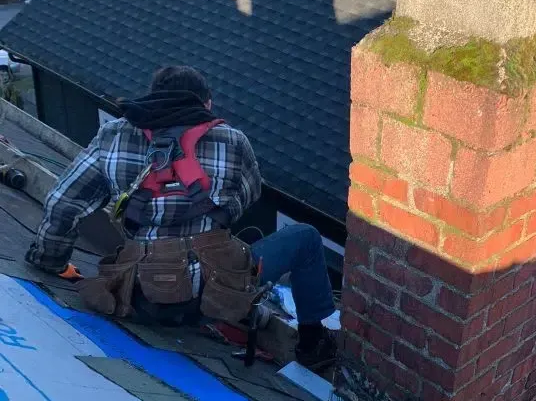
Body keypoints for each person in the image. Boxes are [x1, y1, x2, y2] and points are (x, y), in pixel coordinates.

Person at [25, 65, 337, 370]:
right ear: (207, 103)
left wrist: (50, 260)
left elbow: (64, 202)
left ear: (153, 97)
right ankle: (312, 346)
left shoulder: (114, 134)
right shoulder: (232, 140)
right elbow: (247, 196)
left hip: (138, 298)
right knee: (305, 237)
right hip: (213, 299)